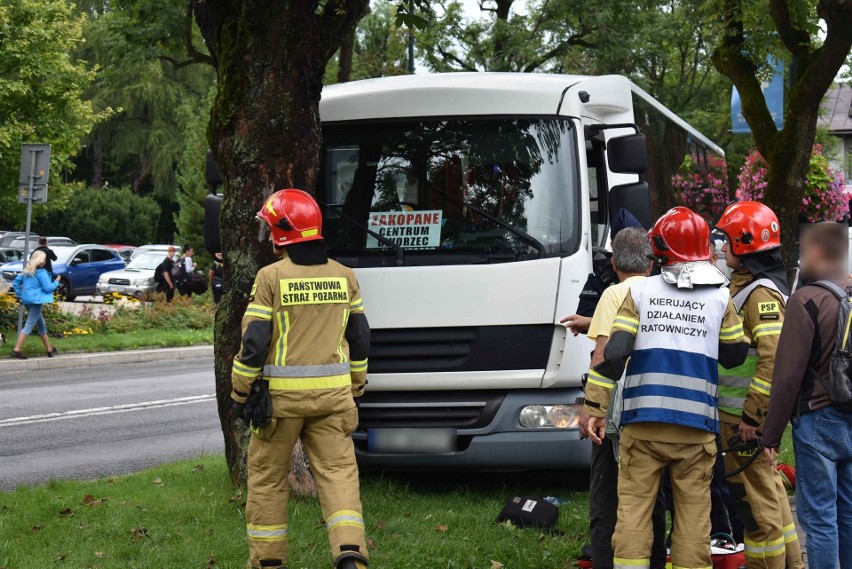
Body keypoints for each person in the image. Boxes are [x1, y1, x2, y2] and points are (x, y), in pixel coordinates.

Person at [583, 206, 750, 569]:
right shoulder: (721, 297)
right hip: (696, 430)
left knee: (633, 514)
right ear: (704, 248)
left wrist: (594, 409)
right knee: (693, 520)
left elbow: (612, 355)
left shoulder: (639, 292)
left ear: (657, 249)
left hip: (643, 425)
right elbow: (736, 354)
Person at [231, 189, 370, 569]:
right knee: (339, 476)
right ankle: (351, 555)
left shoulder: (270, 277)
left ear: (282, 233)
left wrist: (240, 393)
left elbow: (254, 342)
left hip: (281, 406)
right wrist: (355, 386)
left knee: (267, 479)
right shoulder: (345, 277)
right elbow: (359, 338)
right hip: (334, 401)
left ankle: (269, 562)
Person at [715, 202, 803, 569]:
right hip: (744, 417)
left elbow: (773, 360)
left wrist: (753, 416)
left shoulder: (760, 295)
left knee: (757, 508)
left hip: (743, 420)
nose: (720, 249)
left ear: (745, 245)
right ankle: (795, 564)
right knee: (772, 496)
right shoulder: (749, 286)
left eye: (726, 242)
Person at [763, 222, 852, 568]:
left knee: (819, 520)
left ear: (818, 252)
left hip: (817, 419)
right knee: (847, 512)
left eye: (803, 251)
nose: (800, 258)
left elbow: (787, 376)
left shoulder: (806, 300)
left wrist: (770, 435)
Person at [582, 227, 669, 569]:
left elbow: (602, 356)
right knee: (653, 497)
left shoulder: (614, 294)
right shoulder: (662, 292)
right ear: (650, 263)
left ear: (615, 262)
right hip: (655, 404)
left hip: (616, 413)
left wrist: (591, 411)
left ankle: (605, 560)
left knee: (607, 497)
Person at [562, 209, 645, 335]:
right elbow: (582, 319)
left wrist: (592, 322)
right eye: (624, 243)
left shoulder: (659, 276)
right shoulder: (599, 279)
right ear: (612, 246)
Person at [10, 250, 60, 360]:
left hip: (27, 300)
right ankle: (16, 349)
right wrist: (57, 281)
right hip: (36, 302)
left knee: (41, 325)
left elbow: (15, 283)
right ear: (41, 260)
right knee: (29, 325)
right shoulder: (41, 273)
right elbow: (48, 288)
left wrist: (20, 295)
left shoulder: (26, 271)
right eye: (45, 259)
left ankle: (49, 349)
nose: (45, 261)